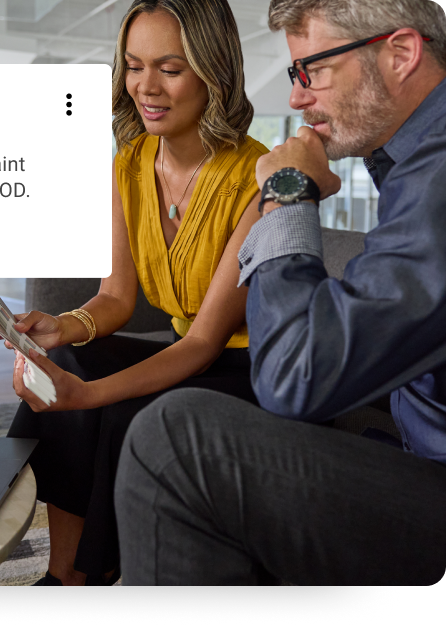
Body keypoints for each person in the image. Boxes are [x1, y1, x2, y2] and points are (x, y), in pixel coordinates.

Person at [114, 0, 446, 585]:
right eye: (296, 76)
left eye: (311, 71)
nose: (296, 99)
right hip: (411, 458)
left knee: (174, 439)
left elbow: (295, 377)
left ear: (400, 53)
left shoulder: (437, 180)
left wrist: (288, 193)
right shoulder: (406, 164)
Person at [0, 0, 269, 586]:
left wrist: (84, 397)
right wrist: (59, 327)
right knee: (66, 358)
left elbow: (201, 343)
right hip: (189, 350)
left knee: (117, 408)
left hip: (247, 370)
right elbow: (117, 298)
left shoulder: (257, 178)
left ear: (213, 71)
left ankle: (99, 574)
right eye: (133, 65)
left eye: (170, 68)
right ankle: (61, 573)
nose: (146, 86)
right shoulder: (130, 161)